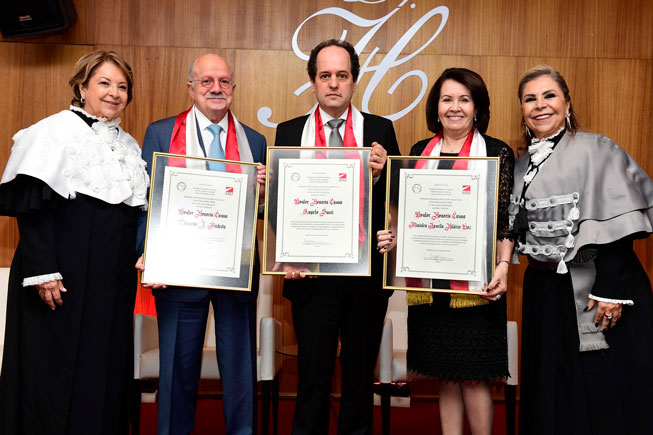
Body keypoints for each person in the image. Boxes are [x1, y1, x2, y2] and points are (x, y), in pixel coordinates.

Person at [0, 51, 148, 434]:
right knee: (55, 370)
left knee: (103, 368)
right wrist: (43, 271)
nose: (114, 93)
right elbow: (32, 210)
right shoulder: (52, 132)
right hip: (58, 279)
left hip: (110, 284)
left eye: (122, 86)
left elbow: (131, 214)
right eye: (104, 83)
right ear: (82, 87)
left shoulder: (129, 146)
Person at [510, 65, 653, 435]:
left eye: (549, 95)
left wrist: (612, 292)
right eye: (530, 99)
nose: (540, 105)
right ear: (522, 110)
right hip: (544, 292)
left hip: (599, 287)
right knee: (553, 385)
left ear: (567, 102)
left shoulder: (596, 148)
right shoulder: (521, 163)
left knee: (603, 385)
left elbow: (620, 226)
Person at [377, 67, 514, 435]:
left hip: (478, 286)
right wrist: (394, 238)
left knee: (473, 376)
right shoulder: (420, 152)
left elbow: (505, 220)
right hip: (431, 284)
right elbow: (408, 216)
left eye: (464, 99)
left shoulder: (498, 152)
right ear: (436, 107)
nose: (455, 107)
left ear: (478, 107)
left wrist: (503, 265)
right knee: (446, 376)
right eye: (447, 99)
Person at [135, 53, 266, 435]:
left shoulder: (255, 141)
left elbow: (257, 212)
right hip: (179, 272)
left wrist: (262, 194)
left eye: (224, 81)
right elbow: (145, 201)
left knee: (241, 372)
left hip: (236, 275)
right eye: (206, 81)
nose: (216, 89)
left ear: (234, 88)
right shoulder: (160, 133)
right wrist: (147, 254)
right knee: (176, 370)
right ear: (191, 87)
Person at [274, 39, 399, 435]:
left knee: (359, 377)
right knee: (313, 376)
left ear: (354, 81)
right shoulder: (290, 131)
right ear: (312, 81)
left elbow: (398, 200)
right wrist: (284, 255)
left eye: (341, 76)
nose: (333, 84)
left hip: (365, 279)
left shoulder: (379, 130)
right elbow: (281, 207)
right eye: (324, 75)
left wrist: (383, 173)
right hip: (310, 278)